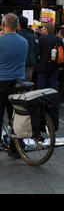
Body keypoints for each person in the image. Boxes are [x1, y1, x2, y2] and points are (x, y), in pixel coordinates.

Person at [0, 14, 28, 157]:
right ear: (17, 26)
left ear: (3, 25)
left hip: (1, 82)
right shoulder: (24, 42)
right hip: (18, 83)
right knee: (15, 116)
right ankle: (16, 148)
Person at [35, 23, 64, 90]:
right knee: (53, 85)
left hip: (42, 66)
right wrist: (61, 65)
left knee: (41, 86)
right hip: (54, 65)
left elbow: (37, 53)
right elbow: (62, 52)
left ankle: (41, 99)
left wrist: (36, 63)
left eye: (43, 29)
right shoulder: (58, 39)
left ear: (46, 30)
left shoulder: (42, 39)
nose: (42, 31)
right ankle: (53, 99)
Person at [17, 16, 36, 82]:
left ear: (18, 25)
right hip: (29, 63)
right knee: (27, 84)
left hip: (17, 65)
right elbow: (34, 50)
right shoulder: (32, 37)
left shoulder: (16, 36)